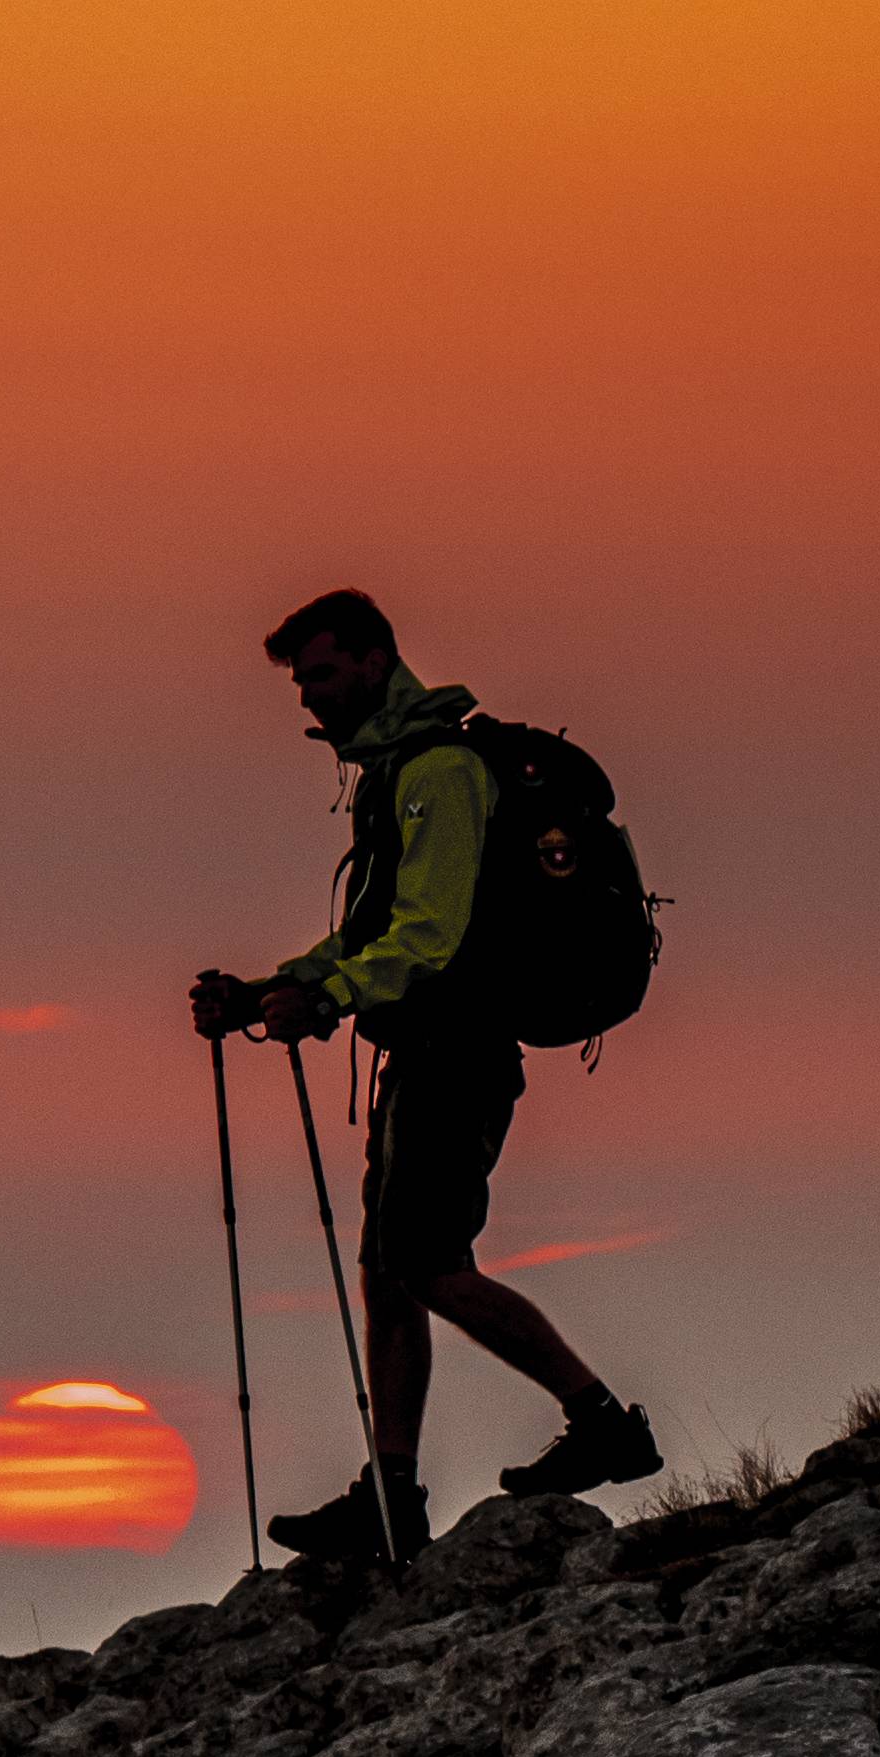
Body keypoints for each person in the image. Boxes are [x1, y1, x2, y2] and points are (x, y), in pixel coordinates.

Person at [191, 586, 661, 1568]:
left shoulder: (438, 770)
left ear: (372, 660)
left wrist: (323, 1001)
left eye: (320, 674)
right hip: (425, 1055)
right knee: (391, 1272)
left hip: (460, 1050)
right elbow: (365, 934)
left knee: (428, 1261)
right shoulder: (397, 773)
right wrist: (266, 992)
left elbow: (427, 936)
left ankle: (602, 1421)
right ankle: (390, 1499)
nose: (310, 699)